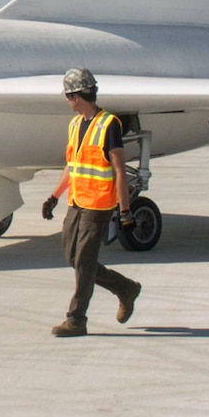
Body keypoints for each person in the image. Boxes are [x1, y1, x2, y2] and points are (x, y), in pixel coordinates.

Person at [38, 67, 140, 337]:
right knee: (73, 257)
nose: (67, 101)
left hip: (98, 205)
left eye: (68, 96)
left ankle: (76, 318)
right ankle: (125, 288)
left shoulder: (109, 125)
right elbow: (73, 166)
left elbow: (119, 169)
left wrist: (125, 210)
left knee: (83, 262)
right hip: (76, 201)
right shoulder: (75, 125)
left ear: (77, 95)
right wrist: (54, 196)